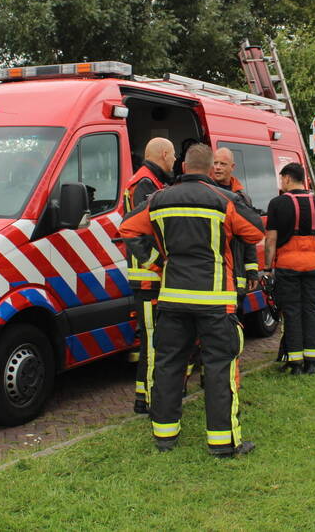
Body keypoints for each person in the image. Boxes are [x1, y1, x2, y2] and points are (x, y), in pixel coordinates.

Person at [119, 144, 264, 457]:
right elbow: (255, 232)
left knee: (169, 364)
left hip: (172, 299)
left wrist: (156, 261)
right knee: (218, 367)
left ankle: (164, 436)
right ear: (211, 168)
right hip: (215, 301)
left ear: (182, 165)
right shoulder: (224, 200)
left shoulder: (158, 199)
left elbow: (127, 228)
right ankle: (222, 443)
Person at [263, 163, 315, 375]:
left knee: (292, 312)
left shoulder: (277, 203)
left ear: (287, 178)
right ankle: (312, 361)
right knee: (311, 310)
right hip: (313, 266)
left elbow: (271, 240)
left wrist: (268, 268)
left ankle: (294, 362)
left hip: (288, 267)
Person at [122, 137, 175, 414]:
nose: (175, 162)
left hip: (150, 278)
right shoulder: (144, 184)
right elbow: (137, 233)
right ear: (164, 154)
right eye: (174, 156)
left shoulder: (150, 182)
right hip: (148, 279)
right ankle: (152, 401)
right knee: (154, 343)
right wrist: (160, 265)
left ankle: (145, 398)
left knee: (152, 343)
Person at [211, 148, 260, 294]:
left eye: (223, 164)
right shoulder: (206, 193)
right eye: (215, 163)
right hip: (212, 270)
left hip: (236, 272)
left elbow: (249, 238)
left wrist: (251, 270)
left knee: (238, 314)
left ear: (232, 167)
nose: (217, 167)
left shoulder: (242, 199)